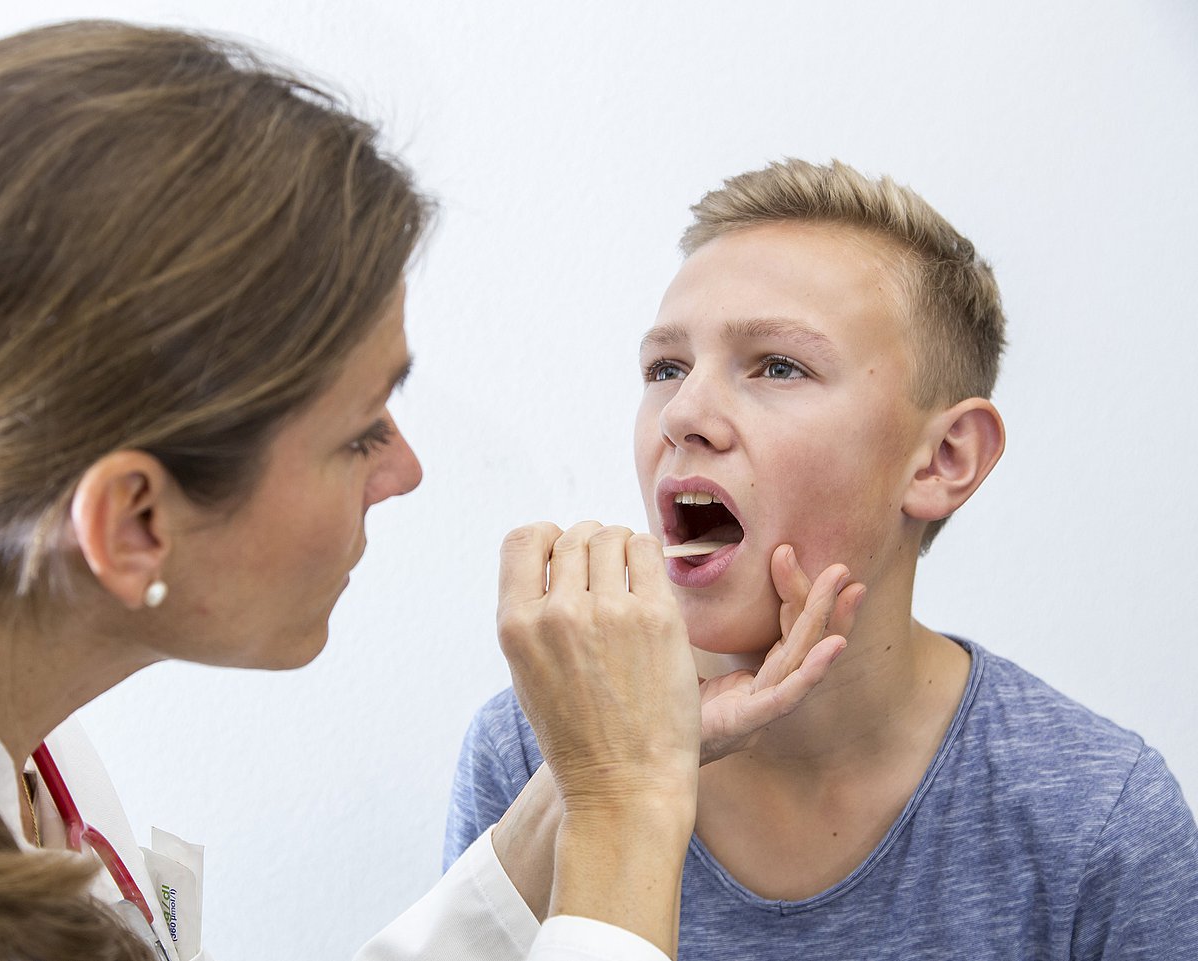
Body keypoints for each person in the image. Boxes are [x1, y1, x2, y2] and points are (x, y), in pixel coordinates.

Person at [0, 22, 859, 961]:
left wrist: (580, 789)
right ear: (135, 522)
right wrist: (628, 810)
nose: (406, 471)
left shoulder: (15, 748)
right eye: (357, 432)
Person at [446, 159, 1198, 958]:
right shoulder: (541, 747)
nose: (685, 412)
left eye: (778, 365)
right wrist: (602, 784)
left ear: (944, 458)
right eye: (666, 367)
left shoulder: (1096, 817)